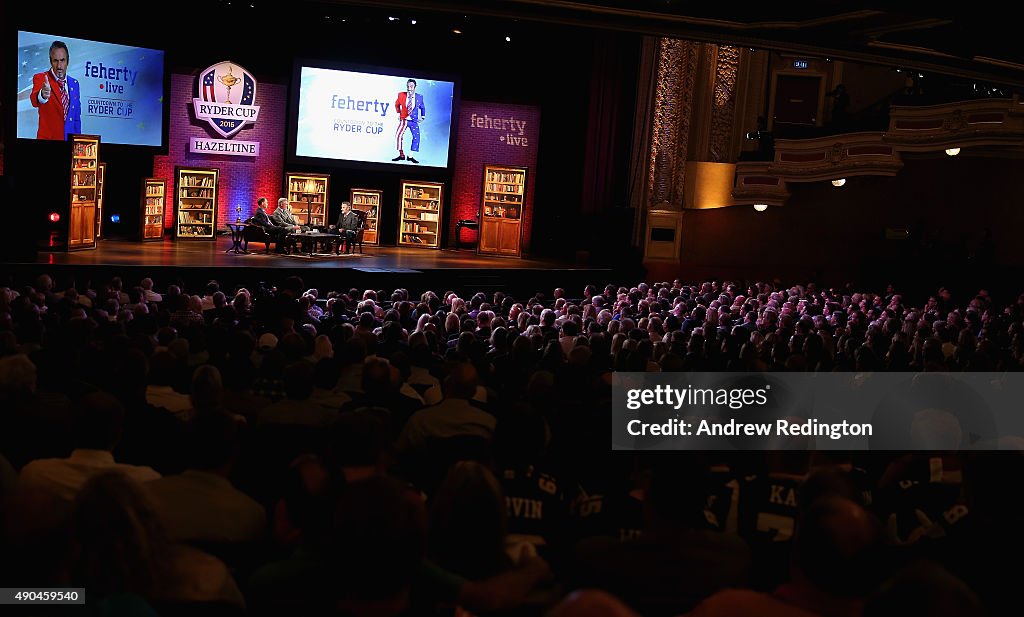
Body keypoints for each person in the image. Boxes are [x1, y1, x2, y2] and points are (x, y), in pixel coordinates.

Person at [30, 40, 81, 140]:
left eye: (62, 60)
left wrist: (77, 143)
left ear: (68, 61)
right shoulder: (41, 78)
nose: (59, 66)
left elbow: (76, 119)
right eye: (55, 61)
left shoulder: (75, 84)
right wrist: (43, 95)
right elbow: (34, 100)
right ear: (50, 61)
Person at [393, 78, 425, 164]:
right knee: (398, 136)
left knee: (416, 137)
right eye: (408, 86)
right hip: (404, 119)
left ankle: (410, 156)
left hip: (413, 121)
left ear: (415, 87)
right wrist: (398, 114)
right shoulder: (401, 95)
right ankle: (401, 154)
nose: (409, 88)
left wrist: (423, 116)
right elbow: (396, 105)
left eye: (411, 86)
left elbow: (422, 107)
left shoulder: (419, 97)